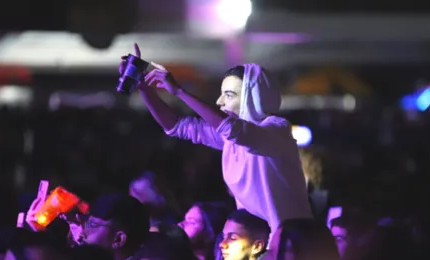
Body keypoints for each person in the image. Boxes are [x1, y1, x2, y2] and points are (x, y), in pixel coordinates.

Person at [119, 44, 313, 237]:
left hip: (295, 243)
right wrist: (142, 87)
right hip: (259, 242)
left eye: (229, 95)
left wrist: (179, 92)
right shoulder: (232, 140)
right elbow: (177, 126)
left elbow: (231, 129)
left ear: (254, 97)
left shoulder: (276, 129)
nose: (219, 101)